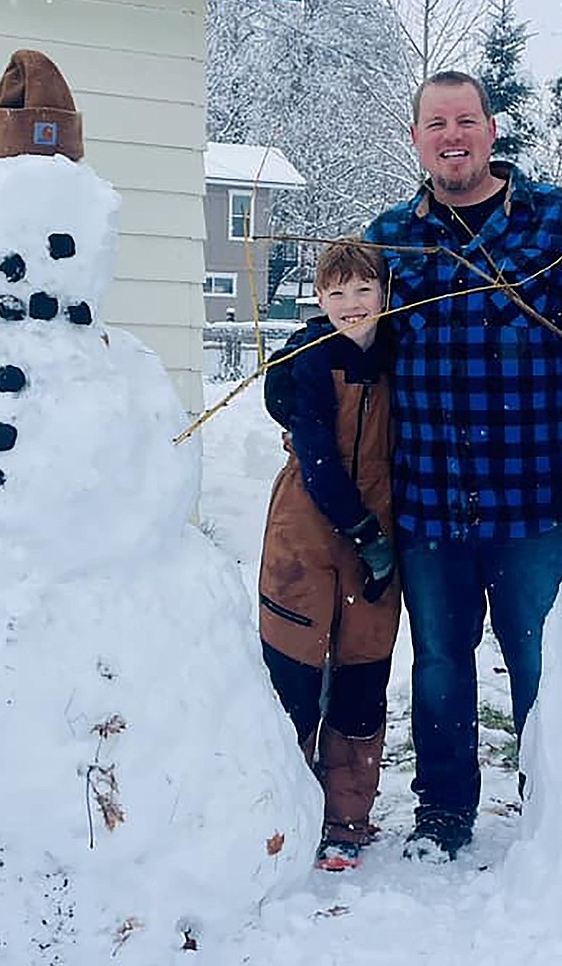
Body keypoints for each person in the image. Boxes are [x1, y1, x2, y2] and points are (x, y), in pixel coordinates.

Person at [364, 70, 562, 862]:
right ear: (415, 138)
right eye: (437, 123)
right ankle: (443, 812)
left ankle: (556, 805)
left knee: (540, 662)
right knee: (441, 665)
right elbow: (351, 347)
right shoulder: (391, 238)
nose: (453, 135)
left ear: (491, 128)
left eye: (467, 120)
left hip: (537, 497)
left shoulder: (557, 222)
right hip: (430, 499)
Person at [257, 239, 401, 871]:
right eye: (336, 293)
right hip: (308, 529)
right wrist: (362, 531)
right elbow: (316, 453)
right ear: (318, 299)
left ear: (385, 294)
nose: (351, 305)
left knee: (361, 676)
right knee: (294, 673)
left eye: (363, 290)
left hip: (381, 528)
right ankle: (282, 812)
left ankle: (347, 816)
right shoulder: (310, 360)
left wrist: (381, 537)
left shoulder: (403, 358)